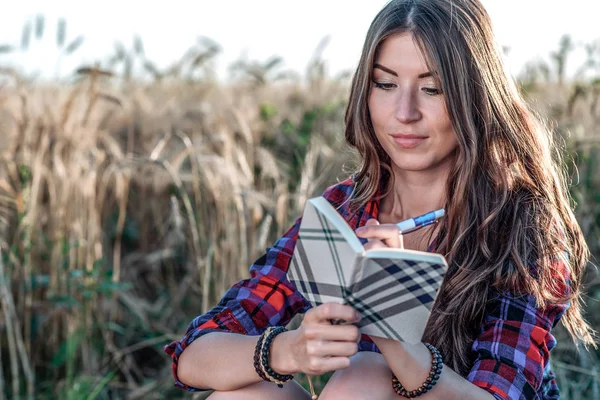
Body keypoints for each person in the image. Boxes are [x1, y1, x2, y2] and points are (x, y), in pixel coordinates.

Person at [164, 0, 596, 398]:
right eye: (385, 84)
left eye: (433, 89)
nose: (404, 112)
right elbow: (194, 355)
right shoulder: (346, 210)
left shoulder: (519, 223)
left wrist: (390, 321)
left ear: (476, 97)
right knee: (247, 394)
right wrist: (289, 351)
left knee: (365, 376)